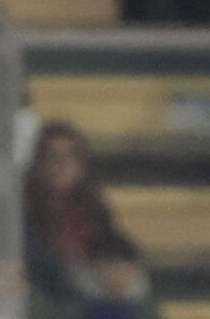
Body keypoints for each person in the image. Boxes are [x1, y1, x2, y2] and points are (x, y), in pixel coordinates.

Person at [25, 122, 135, 301]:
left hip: (91, 287)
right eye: (52, 156)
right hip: (44, 291)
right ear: (39, 161)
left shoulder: (93, 208)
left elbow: (112, 247)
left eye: (69, 156)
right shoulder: (24, 207)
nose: (60, 164)